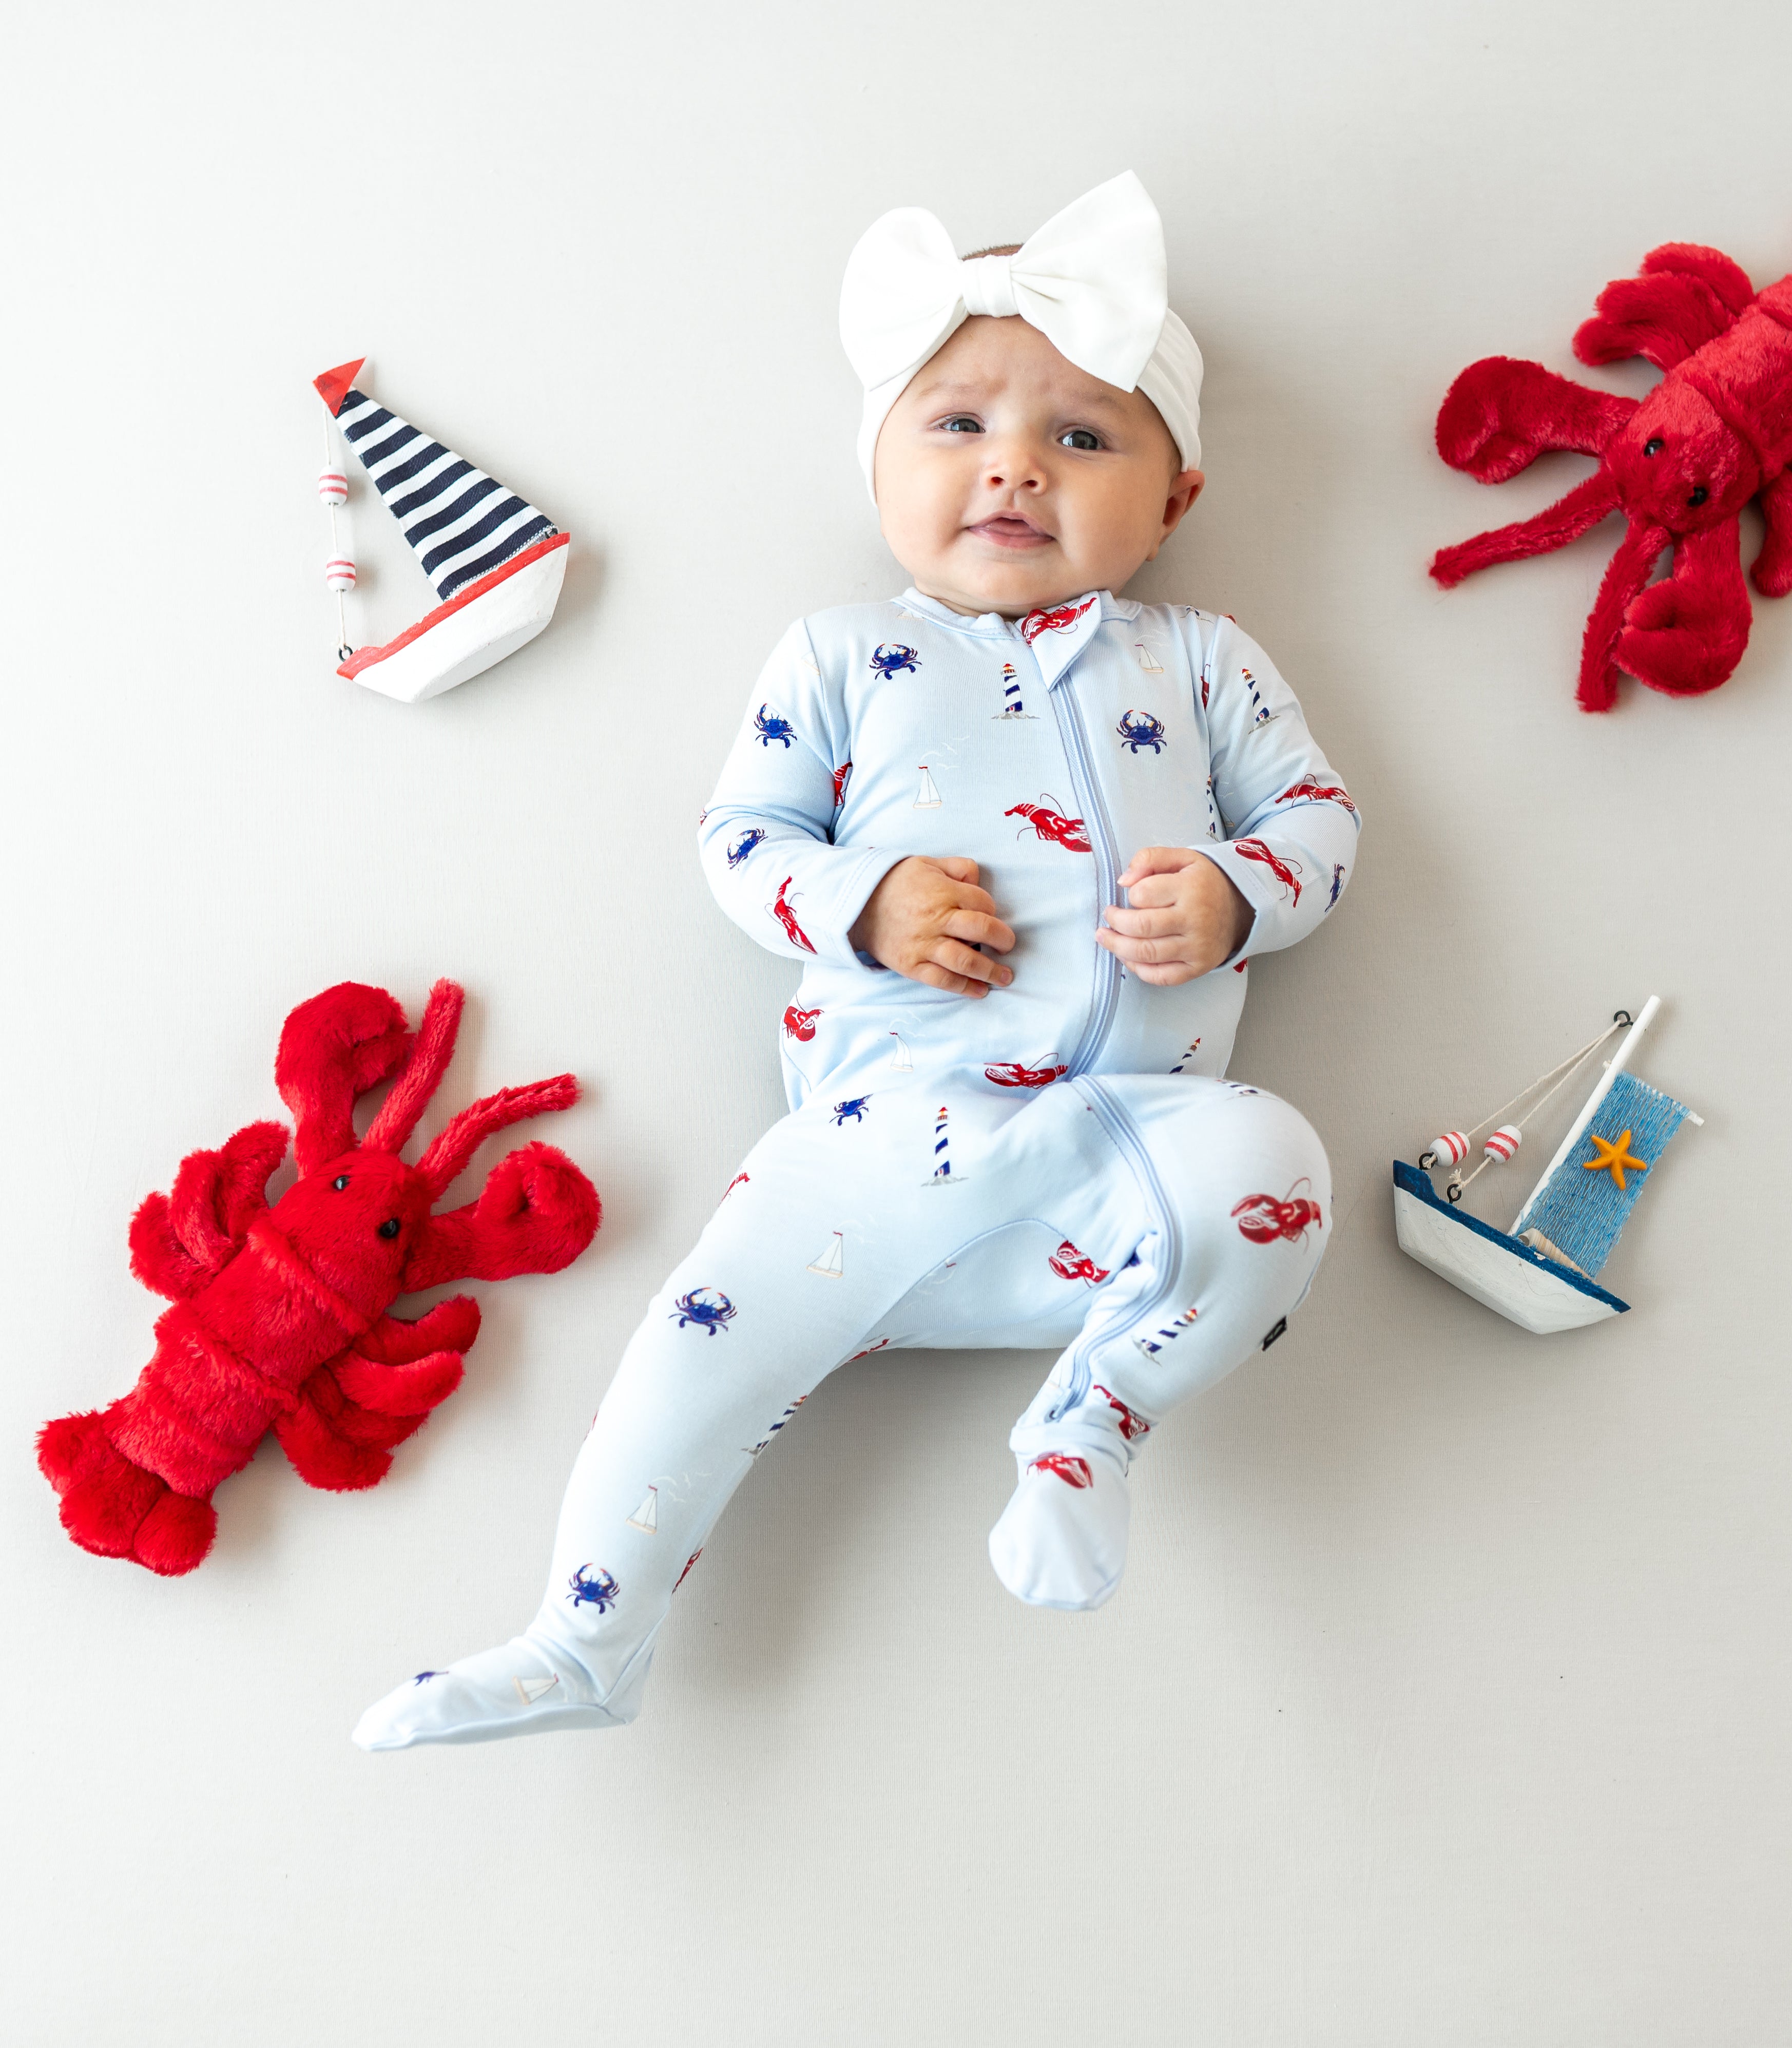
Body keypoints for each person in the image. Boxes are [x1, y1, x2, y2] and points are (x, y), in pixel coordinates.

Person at [355, 172, 1358, 1750]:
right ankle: (581, 1641)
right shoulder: (838, 656)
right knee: (686, 1367)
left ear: (1175, 501)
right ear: (878, 466)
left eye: (1083, 437)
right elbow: (740, 840)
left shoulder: (1205, 659)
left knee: (1279, 1165)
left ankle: (1089, 1432)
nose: (1016, 465)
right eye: (956, 425)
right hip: (881, 1153)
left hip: (1116, 1179)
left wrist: (1242, 893)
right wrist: (863, 904)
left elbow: (1320, 817)